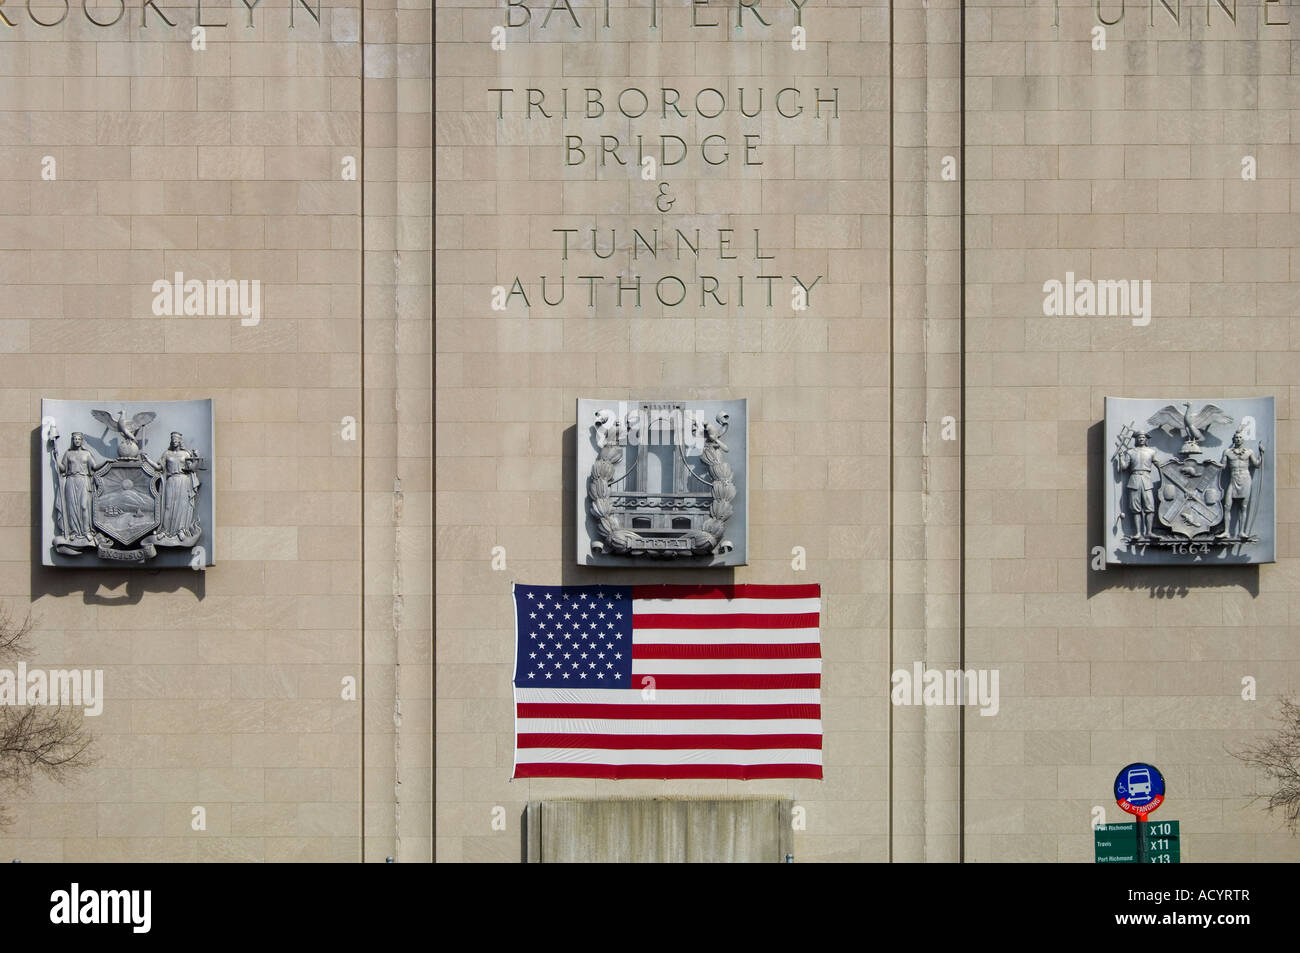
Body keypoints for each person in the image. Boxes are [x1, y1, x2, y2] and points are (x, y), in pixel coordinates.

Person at [1209, 430, 1264, 539]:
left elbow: (1256, 465)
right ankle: (1226, 531)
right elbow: (1223, 466)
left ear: (1243, 440)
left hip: (1245, 479)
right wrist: (1212, 463)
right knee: (1227, 505)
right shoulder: (1227, 452)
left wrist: (1261, 453)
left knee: (1243, 506)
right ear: (1233, 439)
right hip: (1233, 479)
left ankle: (1241, 532)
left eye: (1240, 438)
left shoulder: (1249, 452)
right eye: (1236, 438)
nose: (1238, 439)